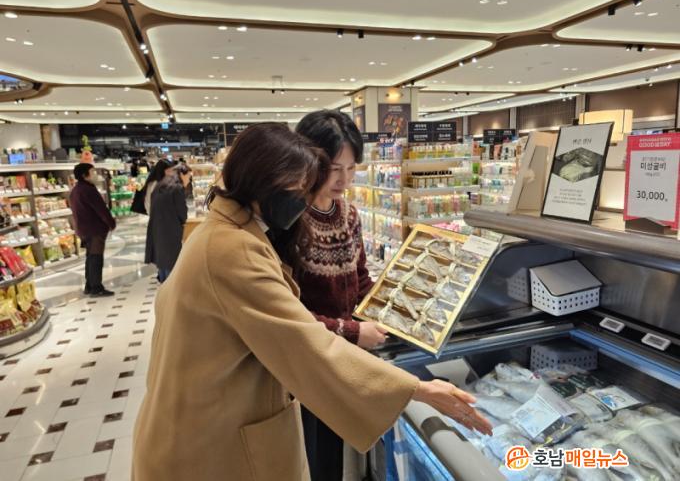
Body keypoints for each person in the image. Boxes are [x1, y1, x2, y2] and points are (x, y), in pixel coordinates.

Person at [132, 123, 491, 481]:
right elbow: (305, 341)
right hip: (208, 445)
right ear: (261, 179)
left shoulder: (229, 232)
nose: (302, 199)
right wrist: (416, 389)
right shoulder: (233, 250)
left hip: (203, 423)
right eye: (296, 187)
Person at [292, 110, 385, 481]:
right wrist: (353, 332)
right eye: (333, 169)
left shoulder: (348, 214)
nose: (344, 180)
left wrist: (387, 306)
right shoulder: (290, 221)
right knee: (307, 455)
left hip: (340, 361)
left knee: (332, 453)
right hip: (303, 365)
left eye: (351, 168)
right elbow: (288, 314)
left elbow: (359, 277)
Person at [69, 163, 116, 297]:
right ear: (85, 175)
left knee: (90, 257)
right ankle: (96, 287)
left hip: (83, 229)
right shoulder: (88, 190)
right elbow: (101, 209)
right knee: (96, 257)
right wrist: (111, 223)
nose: (95, 175)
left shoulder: (76, 190)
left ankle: (89, 285)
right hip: (94, 229)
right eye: (92, 172)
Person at [144, 164, 191, 282]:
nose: (189, 181)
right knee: (172, 265)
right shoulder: (177, 188)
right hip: (171, 231)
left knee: (163, 263)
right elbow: (182, 214)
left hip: (157, 230)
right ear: (182, 174)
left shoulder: (159, 186)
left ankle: (163, 287)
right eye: (188, 177)